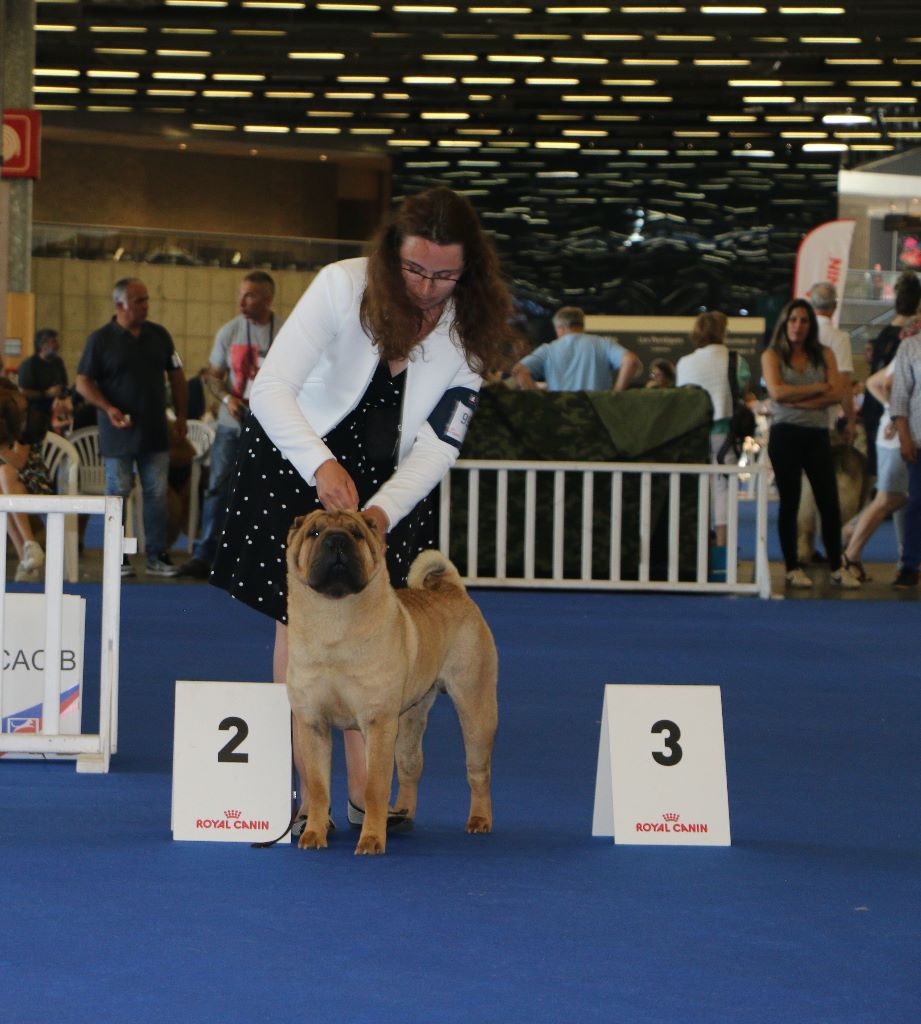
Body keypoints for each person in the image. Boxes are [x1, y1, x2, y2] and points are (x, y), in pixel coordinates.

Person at [211, 186, 520, 831]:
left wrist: (383, 510)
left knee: (378, 632)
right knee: (301, 629)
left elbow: (440, 443)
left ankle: (367, 795)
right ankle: (304, 798)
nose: (429, 288)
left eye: (445, 275)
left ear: (471, 270)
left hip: (390, 484)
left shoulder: (472, 328)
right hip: (298, 454)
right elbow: (270, 388)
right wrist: (319, 464)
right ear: (389, 258)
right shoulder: (338, 287)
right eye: (414, 269)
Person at [75, 277, 188, 577]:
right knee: (118, 493)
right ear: (120, 304)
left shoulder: (160, 336)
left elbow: (177, 376)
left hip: (155, 432)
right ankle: (119, 556)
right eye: (139, 300)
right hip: (118, 434)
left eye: (147, 299)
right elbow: (82, 381)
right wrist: (108, 407)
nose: (146, 305)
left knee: (156, 494)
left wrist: (181, 416)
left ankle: (157, 555)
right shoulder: (99, 340)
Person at [178, 271, 276, 579]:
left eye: (249, 295)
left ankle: (261, 556)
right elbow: (214, 377)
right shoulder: (229, 331)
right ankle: (205, 554)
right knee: (218, 488)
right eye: (240, 294)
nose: (241, 301)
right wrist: (227, 400)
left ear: (267, 298)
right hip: (230, 425)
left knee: (267, 490)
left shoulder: (286, 331)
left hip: (271, 426)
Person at [761, 299, 860, 589]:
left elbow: (838, 393)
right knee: (789, 503)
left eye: (804, 321)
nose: (798, 326)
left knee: (828, 502)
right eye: (793, 320)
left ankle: (836, 567)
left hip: (817, 435)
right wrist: (817, 388)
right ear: (785, 322)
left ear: (810, 326)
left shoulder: (825, 353)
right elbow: (777, 393)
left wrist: (797, 397)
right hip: (784, 435)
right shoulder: (772, 355)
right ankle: (792, 567)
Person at [676, 311, 752, 569]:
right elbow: (743, 390)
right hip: (724, 434)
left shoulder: (684, 362)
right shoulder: (735, 361)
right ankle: (722, 551)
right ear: (723, 331)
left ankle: (697, 549)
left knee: (697, 491)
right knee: (723, 491)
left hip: (693, 434)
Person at [841, 361, 907, 581]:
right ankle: (851, 550)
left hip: (901, 435)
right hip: (898, 437)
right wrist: (896, 413)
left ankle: (906, 561)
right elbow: (884, 384)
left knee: (901, 498)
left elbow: (873, 382)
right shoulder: (913, 350)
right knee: (889, 498)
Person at [862, 271, 921, 477]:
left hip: (876, 409)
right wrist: (895, 415)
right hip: (894, 415)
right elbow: (887, 383)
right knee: (893, 490)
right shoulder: (911, 338)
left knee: (881, 481)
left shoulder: (885, 334)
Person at [511, 305, 641, 392]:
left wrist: (539, 399)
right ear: (582, 326)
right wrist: (616, 393)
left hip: (562, 415)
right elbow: (630, 360)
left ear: (560, 328)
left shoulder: (548, 350)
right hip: (598, 414)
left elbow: (519, 371)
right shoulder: (603, 344)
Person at [0, 379, 54, 581]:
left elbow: (20, 462)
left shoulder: (27, 420)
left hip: (34, 481)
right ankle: (27, 558)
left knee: (5, 473)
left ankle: (30, 545)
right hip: (9, 487)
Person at [889, 322, 921, 588]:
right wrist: (904, 437)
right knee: (917, 503)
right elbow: (899, 397)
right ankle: (909, 565)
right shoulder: (910, 347)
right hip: (918, 440)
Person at [808, 281, 857, 444]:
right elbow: (844, 384)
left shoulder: (799, 335)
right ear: (835, 306)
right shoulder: (839, 339)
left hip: (793, 419)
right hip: (825, 420)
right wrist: (851, 420)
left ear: (810, 304)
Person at [17, 328, 69, 440]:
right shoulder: (29, 365)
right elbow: (23, 392)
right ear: (42, 345)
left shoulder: (58, 362)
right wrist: (46, 393)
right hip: (34, 412)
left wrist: (63, 398)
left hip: (56, 410)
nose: (57, 345)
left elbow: (64, 385)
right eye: (53, 342)